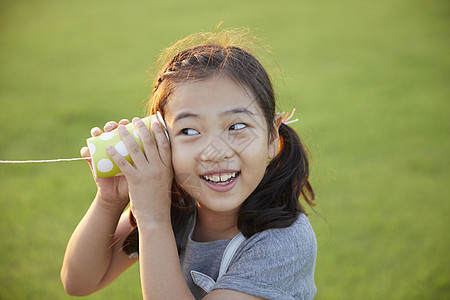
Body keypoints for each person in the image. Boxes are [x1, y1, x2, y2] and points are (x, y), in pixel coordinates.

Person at [60, 28, 317, 300]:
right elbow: (79, 283)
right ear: (161, 142)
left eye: (237, 126)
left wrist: (154, 219)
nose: (215, 152)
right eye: (189, 131)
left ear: (271, 136)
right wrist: (109, 200)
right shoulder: (176, 207)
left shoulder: (284, 242)